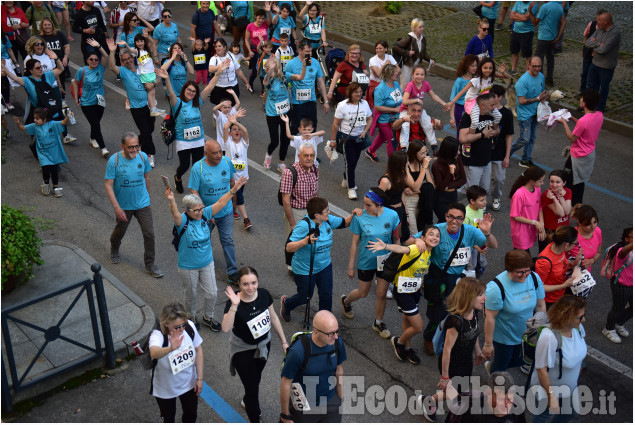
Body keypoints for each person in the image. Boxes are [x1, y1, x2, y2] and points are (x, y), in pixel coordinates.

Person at [166, 172, 246, 330]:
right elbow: (175, 214)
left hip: (207, 263)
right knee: (191, 295)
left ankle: (208, 317)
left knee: (213, 293)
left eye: (201, 209)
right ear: (187, 210)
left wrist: (234, 189)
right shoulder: (182, 221)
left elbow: (221, 203)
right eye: (196, 210)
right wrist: (171, 201)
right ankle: (191, 318)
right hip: (188, 266)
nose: (200, 212)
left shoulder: (205, 214)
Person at [417, 202, 496, 355]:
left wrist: (487, 233)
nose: (455, 221)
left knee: (459, 309)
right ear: (446, 216)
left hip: (458, 278)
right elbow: (411, 240)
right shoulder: (436, 230)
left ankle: (452, 336)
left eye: (459, 218)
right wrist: (419, 240)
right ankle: (429, 337)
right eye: (451, 217)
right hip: (438, 276)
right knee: (437, 312)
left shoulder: (470, 230)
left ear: (463, 219)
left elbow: (493, 244)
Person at [222, 267, 288, 423]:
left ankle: (248, 399)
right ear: (239, 284)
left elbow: (274, 318)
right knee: (252, 389)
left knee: (256, 378)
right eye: (245, 284)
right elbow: (225, 328)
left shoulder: (264, 294)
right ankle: (253, 415)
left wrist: (284, 341)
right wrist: (234, 305)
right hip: (242, 349)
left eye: (253, 283)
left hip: (264, 345)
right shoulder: (233, 302)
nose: (250, 288)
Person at [368, 225, 441, 365]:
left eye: (438, 236)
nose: (435, 238)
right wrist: (386, 246)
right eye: (431, 234)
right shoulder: (417, 249)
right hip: (403, 291)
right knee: (418, 326)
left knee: (407, 319)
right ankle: (399, 341)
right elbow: (403, 249)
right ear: (423, 238)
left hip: (415, 290)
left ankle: (407, 348)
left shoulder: (430, 253)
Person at [418, 277, 487, 422]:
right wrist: (445, 377)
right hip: (452, 366)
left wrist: (478, 351)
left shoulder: (475, 313)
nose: (484, 298)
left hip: (466, 363)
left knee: (459, 392)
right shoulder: (455, 321)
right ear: (468, 297)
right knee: (458, 404)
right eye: (480, 295)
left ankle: (428, 401)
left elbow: (473, 333)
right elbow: (447, 350)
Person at [281, 197, 357, 320]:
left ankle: (324, 322)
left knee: (326, 295)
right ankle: (287, 304)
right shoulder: (304, 226)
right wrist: (306, 241)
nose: (329, 212)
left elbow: (345, 223)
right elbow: (289, 247)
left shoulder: (327, 220)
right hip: (305, 268)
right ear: (317, 215)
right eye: (326, 210)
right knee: (305, 296)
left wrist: (354, 214)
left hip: (324, 265)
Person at [340, 188, 399, 340]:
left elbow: (396, 238)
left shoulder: (392, 215)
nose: (365, 208)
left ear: (378, 204)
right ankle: (346, 301)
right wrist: (350, 266)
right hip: (366, 261)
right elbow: (354, 244)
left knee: (381, 293)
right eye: (364, 204)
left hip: (384, 261)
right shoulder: (360, 217)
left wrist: (397, 258)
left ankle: (378, 322)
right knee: (363, 292)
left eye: (369, 205)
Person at [157, 64, 225, 191]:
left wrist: (219, 72)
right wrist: (166, 79)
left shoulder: (197, 101)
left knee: (197, 165)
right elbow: (171, 93)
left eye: (194, 91)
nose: (191, 93)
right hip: (183, 140)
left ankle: (196, 187)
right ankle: (178, 177)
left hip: (198, 139)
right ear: (184, 90)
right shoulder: (177, 103)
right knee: (184, 165)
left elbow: (210, 86)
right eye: (189, 90)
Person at [104, 132, 163, 278]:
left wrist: (147, 195)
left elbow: (146, 176)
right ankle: (114, 249)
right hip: (124, 206)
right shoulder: (114, 160)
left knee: (149, 234)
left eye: (137, 146)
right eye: (131, 147)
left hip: (142, 203)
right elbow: (108, 185)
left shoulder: (142, 157)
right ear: (122, 146)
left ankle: (150, 264)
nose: (135, 150)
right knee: (120, 231)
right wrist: (117, 207)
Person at [187, 139, 241, 286]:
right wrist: (203, 212)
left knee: (228, 240)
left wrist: (234, 203)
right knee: (203, 240)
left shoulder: (226, 161)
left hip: (226, 212)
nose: (218, 155)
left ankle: (232, 272)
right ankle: (200, 266)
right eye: (214, 153)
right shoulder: (198, 168)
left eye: (219, 152)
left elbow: (232, 184)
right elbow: (194, 191)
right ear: (206, 154)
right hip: (206, 213)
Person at [483, 249, 546, 372]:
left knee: (520, 361)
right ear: (509, 269)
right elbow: (490, 317)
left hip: (527, 335)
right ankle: (495, 381)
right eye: (520, 272)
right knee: (501, 366)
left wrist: (541, 331)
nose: (524, 275)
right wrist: (488, 344)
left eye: (527, 270)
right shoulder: (495, 288)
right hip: (504, 339)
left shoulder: (534, 278)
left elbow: (540, 306)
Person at [279, 310, 346, 423]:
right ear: (315, 331)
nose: (335, 336)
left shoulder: (337, 343)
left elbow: (339, 369)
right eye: (330, 333)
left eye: (337, 331)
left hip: (330, 402)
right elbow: (286, 382)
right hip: (304, 408)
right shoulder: (298, 351)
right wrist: (285, 414)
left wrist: (340, 397)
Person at [528, 295, 587, 422]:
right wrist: (551, 397)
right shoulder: (548, 338)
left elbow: (578, 349)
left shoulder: (577, 329)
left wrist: (578, 366)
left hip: (570, 387)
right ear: (567, 316)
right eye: (580, 317)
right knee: (543, 417)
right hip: (550, 390)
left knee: (571, 412)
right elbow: (541, 369)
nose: (584, 320)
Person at [106, 38, 159, 167]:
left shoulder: (142, 66)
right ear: (122, 62)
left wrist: (153, 83)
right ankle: (149, 155)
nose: (128, 61)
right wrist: (112, 52)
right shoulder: (123, 72)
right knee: (146, 131)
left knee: (150, 129)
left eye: (129, 58)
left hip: (151, 105)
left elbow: (158, 78)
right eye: (124, 60)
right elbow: (112, 67)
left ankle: (137, 141)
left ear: (133, 57)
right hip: (137, 107)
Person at [149, 302, 203, 423]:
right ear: (166, 323)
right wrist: (170, 348)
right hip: (165, 388)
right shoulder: (158, 335)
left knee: (191, 415)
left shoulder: (189, 327)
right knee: (169, 418)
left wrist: (199, 378)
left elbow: (198, 349)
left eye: (183, 324)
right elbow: (154, 352)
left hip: (188, 383)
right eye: (177, 327)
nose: (182, 329)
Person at [444, 57, 507, 145]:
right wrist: (452, 102)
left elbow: (507, 77)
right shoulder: (475, 80)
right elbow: (462, 91)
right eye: (485, 68)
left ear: (493, 69)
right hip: (471, 101)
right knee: (475, 121)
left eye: (490, 68)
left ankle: (492, 136)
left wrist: (503, 71)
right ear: (480, 68)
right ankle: (468, 143)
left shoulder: (490, 78)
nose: (488, 70)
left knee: (498, 116)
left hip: (482, 101)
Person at [558, 90, 603, 206]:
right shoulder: (599, 115)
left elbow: (572, 138)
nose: (580, 99)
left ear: (584, 103)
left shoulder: (583, 121)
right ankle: (578, 206)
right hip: (589, 154)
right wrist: (572, 118)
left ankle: (565, 204)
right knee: (580, 181)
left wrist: (564, 123)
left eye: (582, 98)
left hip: (578, 156)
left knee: (567, 180)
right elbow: (585, 127)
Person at [13, 108, 69, 197]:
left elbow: (63, 122)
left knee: (54, 170)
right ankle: (46, 185)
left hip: (53, 152)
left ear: (44, 119)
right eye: (34, 118)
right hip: (43, 153)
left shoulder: (52, 124)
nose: (35, 120)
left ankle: (55, 187)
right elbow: (23, 128)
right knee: (46, 169)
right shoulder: (35, 126)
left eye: (37, 118)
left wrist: (68, 117)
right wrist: (17, 123)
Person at [330, 82, 372, 200]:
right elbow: (336, 124)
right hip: (346, 138)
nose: (359, 94)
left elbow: (370, 119)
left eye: (360, 91)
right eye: (356, 92)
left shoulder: (365, 104)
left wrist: (365, 131)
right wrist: (333, 140)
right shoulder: (342, 105)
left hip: (359, 138)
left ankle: (345, 178)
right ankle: (351, 187)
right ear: (350, 93)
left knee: (354, 161)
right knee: (350, 162)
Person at [434, 371, 524, 422]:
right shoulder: (470, 412)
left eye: (509, 399)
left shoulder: (517, 408)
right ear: (488, 393)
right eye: (501, 399)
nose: (506, 405)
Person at [72, 39, 110, 157]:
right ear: (87, 60)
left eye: (96, 60)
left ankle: (93, 138)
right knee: (96, 124)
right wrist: (76, 97)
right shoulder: (82, 70)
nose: (94, 61)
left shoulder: (100, 68)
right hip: (87, 103)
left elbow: (106, 55)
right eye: (91, 59)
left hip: (99, 102)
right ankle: (103, 147)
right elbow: (75, 82)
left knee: (96, 122)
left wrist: (98, 46)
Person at [509, 56, 549, 168]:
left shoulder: (541, 76)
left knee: (532, 138)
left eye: (539, 66)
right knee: (524, 139)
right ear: (529, 66)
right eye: (534, 66)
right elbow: (521, 101)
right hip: (525, 115)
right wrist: (537, 98)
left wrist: (544, 97)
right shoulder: (522, 82)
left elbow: (542, 90)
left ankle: (526, 159)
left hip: (536, 113)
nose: (537, 68)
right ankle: (506, 153)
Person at [285, 39, 329, 137]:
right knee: (295, 127)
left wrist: (325, 101)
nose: (310, 54)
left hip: (311, 101)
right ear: (300, 51)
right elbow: (284, 82)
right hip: (297, 103)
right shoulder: (291, 64)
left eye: (311, 51)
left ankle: (309, 149)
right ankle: (293, 147)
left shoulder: (315, 63)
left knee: (313, 127)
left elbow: (321, 82)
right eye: (307, 52)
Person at [397, 64, 446, 151]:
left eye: (422, 74)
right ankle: (403, 146)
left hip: (418, 109)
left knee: (427, 123)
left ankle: (434, 145)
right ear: (412, 75)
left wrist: (444, 103)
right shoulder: (410, 85)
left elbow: (434, 96)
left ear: (425, 76)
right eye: (417, 74)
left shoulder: (426, 84)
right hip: (406, 109)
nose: (419, 76)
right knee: (405, 126)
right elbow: (404, 101)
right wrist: (417, 100)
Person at [458, 93, 499, 192]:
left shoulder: (490, 115)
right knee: (472, 190)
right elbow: (463, 138)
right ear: (483, 105)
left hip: (486, 160)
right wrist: (482, 135)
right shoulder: (469, 117)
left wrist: (494, 132)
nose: (494, 107)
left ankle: (480, 207)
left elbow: (498, 130)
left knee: (484, 189)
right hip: (473, 162)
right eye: (492, 105)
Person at [535, 226, 581, 309]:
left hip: (559, 296)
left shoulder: (558, 248)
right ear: (566, 245)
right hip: (548, 301)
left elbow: (560, 264)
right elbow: (540, 287)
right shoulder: (544, 262)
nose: (576, 246)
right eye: (575, 243)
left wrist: (573, 263)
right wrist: (564, 285)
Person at [280, 143, 319, 236]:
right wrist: (293, 224)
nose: (309, 158)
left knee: (311, 243)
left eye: (312, 155)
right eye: (305, 155)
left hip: (312, 212)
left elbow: (316, 192)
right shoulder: (289, 173)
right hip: (297, 213)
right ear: (299, 156)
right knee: (296, 245)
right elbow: (286, 201)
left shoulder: (315, 168)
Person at [584, 11, 621, 111]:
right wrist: (599, 44)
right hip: (595, 63)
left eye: (600, 20)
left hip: (606, 66)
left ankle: (600, 108)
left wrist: (595, 44)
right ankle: (589, 106)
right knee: (591, 86)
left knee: (603, 88)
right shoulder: (600, 29)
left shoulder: (615, 33)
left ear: (607, 22)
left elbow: (603, 50)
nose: (597, 21)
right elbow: (587, 43)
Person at [262, 57, 293, 171]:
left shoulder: (285, 76)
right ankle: (268, 155)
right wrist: (269, 72)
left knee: (285, 139)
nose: (269, 63)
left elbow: (300, 77)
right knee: (275, 141)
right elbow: (265, 82)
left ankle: (281, 163)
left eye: (271, 61)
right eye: (268, 63)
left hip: (285, 112)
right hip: (272, 114)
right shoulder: (268, 78)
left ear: (277, 64)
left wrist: (304, 66)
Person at [602, 227, 633, 344]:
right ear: (626, 239)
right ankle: (608, 329)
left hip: (632, 284)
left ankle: (619, 323)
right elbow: (623, 253)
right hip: (621, 285)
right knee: (618, 308)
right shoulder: (621, 251)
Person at [364, 64, 401, 162]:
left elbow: (399, 99)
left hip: (395, 118)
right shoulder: (380, 89)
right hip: (384, 120)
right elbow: (377, 107)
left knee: (383, 136)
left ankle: (370, 151)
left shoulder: (396, 84)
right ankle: (392, 165)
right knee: (392, 139)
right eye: (394, 72)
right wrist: (394, 110)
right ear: (388, 74)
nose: (397, 73)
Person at [222, 114, 253, 230]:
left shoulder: (244, 143)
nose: (237, 131)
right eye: (234, 129)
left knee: (235, 195)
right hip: (232, 177)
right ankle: (246, 219)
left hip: (243, 176)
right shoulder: (228, 142)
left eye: (238, 130)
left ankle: (231, 210)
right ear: (230, 133)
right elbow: (225, 128)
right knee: (239, 196)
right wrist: (231, 120)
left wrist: (236, 122)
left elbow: (245, 130)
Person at [509, 165, 546, 254]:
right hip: (521, 231)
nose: (542, 183)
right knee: (523, 257)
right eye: (540, 181)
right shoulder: (519, 194)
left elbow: (540, 206)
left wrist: (541, 224)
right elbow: (515, 216)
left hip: (531, 228)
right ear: (531, 181)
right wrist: (535, 222)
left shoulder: (537, 188)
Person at [488, 84, 513, 211]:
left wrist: (507, 156)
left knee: (499, 179)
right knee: (483, 180)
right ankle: (480, 202)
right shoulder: (485, 111)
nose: (492, 99)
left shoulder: (507, 114)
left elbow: (509, 136)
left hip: (499, 151)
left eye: (495, 96)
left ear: (501, 97)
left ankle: (496, 197)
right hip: (485, 151)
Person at [528, 1, 565, 86]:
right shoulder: (559, 7)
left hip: (543, 37)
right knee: (550, 57)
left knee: (538, 58)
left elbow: (534, 23)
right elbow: (563, 22)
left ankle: (539, 79)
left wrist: (530, 11)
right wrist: (558, 37)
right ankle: (549, 78)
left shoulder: (544, 7)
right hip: (553, 37)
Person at [378, 150, 411, 243]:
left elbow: (401, 196)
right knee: (394, 240)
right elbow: (376, 199)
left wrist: (407, 215)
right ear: (399, 164)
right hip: (390, 214)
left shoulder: (401, 177)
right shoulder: (386, 181)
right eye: (406, 161)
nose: (408, 163)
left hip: (400, 212)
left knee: (401, 237)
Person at [431, 137, 466, 223]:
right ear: (450, 152)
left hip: (453, 196)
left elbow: (463, 179)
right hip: (440, 199)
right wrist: (450, 174)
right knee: (444, 221)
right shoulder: (436, 165)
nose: (459, 152)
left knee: (453, 221)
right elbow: (440, 187)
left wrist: (448, 186)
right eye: (457, 150)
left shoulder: (457, 159)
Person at [207, 38, 251, 105]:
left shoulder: (231, 56)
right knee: (221, 111)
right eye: (216, 46)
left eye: (219, 46)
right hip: (219, 89)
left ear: (224, 47)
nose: (217, 48)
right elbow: (210, 69)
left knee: (232, 109)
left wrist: (246, 82)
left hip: (233, 87)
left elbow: (238, 71)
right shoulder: (214, 58)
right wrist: (221, 65)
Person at [393, 18, 434, 88]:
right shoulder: (408, 38)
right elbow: (395, 47)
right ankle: (402, 98)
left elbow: (423, 53)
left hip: (416, 66)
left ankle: (412, 99)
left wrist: (430, 60)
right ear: (414, 28)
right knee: (405, 86)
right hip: (407, 65)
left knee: (414, 86)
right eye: (420, 27)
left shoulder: (423, 39)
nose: (422, 29)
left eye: (423, 26)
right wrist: (407, 52)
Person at [404, 139, 434, 233]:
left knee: (421, 231)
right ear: (414, 153)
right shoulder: (406, 165)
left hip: (421, 202)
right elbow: (415, 186)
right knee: (414, 234)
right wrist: (424, 168)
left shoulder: (422, 164)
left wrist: (415, 191)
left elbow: (431, 186)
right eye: (422, 153)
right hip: (409, 204)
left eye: (426, 152)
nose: (425, 156)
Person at [538, 170, 572, 252]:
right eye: (552, 181)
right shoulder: (547, 195)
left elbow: (567, 212)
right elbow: (560, 213)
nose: (554, 185)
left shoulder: (568, 191)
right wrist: (554, 198)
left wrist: (560, 197)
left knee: (560, 254)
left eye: (558, 182)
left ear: (564, 183)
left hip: (562, 229)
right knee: (547, 255)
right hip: (550, 231)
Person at [578, 8, 606, 97]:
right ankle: (582, 90)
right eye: (597, 19)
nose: (597, 21)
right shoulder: (591, 24)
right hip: (588, 53)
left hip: (598, 56)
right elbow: (586, 37)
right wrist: (585, 49)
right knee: (585, 72)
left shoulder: (606, 30)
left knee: (594, 76)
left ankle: (592, 93)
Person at [449, 54, 478, 138]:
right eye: (472, 66)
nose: (475, 68)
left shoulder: (476, 79)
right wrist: (452, 117)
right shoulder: (459, 81)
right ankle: (460, 149)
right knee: (461, 132)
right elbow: (453, 99)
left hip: (473, 108)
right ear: (466, 66)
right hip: (461, 109)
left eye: (476, 65)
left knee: (473, 132)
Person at [40, 18, 70, 98]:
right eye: (45, 25)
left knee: (61, 80)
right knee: (49, 81)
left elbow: (66, 46)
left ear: (52, 25)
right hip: (47, 63)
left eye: (49, 24)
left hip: (60, 60)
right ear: (42, 26)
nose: (47, 26)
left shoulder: (59, 34)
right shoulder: (39, 37)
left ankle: (62, 99)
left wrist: (65, 57)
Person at [367, 40, 399, 110]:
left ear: (385, 49)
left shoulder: (389, 57)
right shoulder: (372, 60)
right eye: (377, 48)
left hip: (388, 84)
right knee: (379, 105)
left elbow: (399, 70)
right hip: (376, 85)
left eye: (380, 48)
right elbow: (378, 73)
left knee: (392, 102)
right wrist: (386, 64)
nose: (378, 50)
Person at [570, 204, 602, 273]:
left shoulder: (597, 231)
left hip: (585, 276)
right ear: (579, 222)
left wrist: (592, 260)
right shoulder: (572, 236)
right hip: (569, 276)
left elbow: (598, 252)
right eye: (588, 224)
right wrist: (575, 263)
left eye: (595, 222)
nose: (593, 226)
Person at [509, 1, 538, 75]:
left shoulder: (533, 4)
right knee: (514, 51)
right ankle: (513, 69)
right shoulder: (518, 2)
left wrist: (517, 14)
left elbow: (526, 18)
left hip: (527, 32)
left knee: (527, 54)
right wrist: (522, 16)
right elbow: (511, 16)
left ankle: (527, 72)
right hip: (516, 31)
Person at [245, 7, 270, 89]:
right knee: (255, 71)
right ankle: (250, 83)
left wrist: (269, 11)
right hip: (254, 50)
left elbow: (271, 20)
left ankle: (263, 88)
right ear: (256, 16)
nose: (261, 20)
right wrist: (249, 51)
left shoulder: (265, 24)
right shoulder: (250, 26)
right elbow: (246, 39)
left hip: (264, 51)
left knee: (263, 70)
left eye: (263, 18)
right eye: (259, 18)